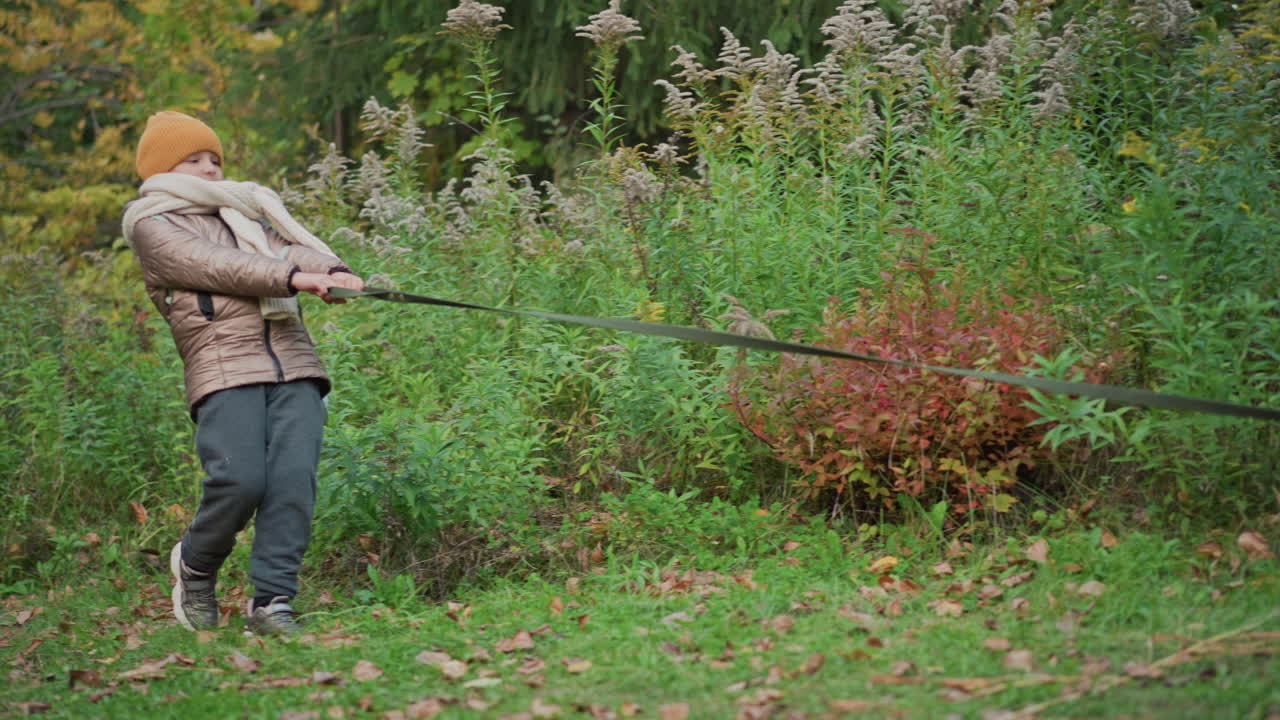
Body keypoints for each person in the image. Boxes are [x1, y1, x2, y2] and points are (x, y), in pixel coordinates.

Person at [121, 111, 363, 635]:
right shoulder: (151, 226)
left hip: (294, 362)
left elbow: (282, 248)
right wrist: (297, 277)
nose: (210, 169)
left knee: (292, 484)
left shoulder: (244, 218)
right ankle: (195, 564)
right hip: (224, 367)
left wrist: (333, 268)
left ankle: (272, 603)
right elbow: (215, 266)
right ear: (164, 168)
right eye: (195, 159)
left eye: (215, 160)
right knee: (241, 479)